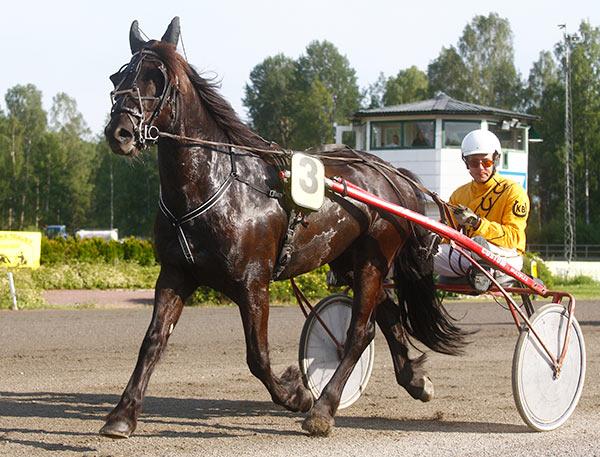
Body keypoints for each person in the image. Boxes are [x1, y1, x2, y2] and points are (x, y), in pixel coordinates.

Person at [434, 128, 529, 286]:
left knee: (478, 245)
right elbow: (446, 236)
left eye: (486, 162)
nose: (480, 168)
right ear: (466, 163)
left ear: (496, 160)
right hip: (469, 257)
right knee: (423, 253)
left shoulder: (513, 191)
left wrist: (477, 223)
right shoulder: (459, 195)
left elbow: (513, 238)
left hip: (506, 257)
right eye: (473, 163)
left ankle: (484, 270)